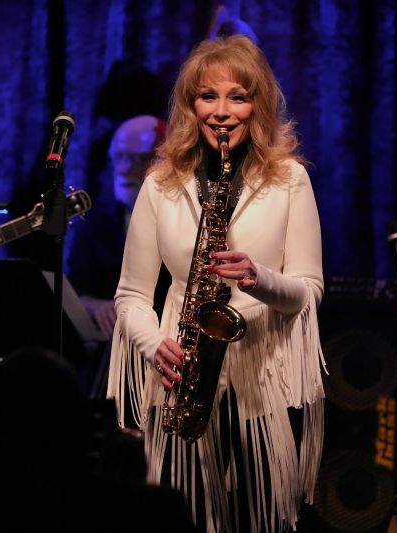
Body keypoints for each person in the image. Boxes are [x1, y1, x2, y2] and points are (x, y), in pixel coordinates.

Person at [107, 35, 325, 532]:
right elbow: (132, 295)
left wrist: (259, 279)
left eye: (238, 97)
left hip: (259, 390)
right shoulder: (160, 185)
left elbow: (308, 290)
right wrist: (155, 344)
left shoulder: (290, 180)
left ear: (259, 105)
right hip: (180, 381)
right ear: (190, 105)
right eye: (208, 96)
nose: (222, 112)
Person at [67, 115, 169, 399]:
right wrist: (96, 305)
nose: (124, 169)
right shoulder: (96, 221)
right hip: (108, 357)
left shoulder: (183, 217)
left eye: (136, 159)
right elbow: (74, 290)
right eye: (119, 157)